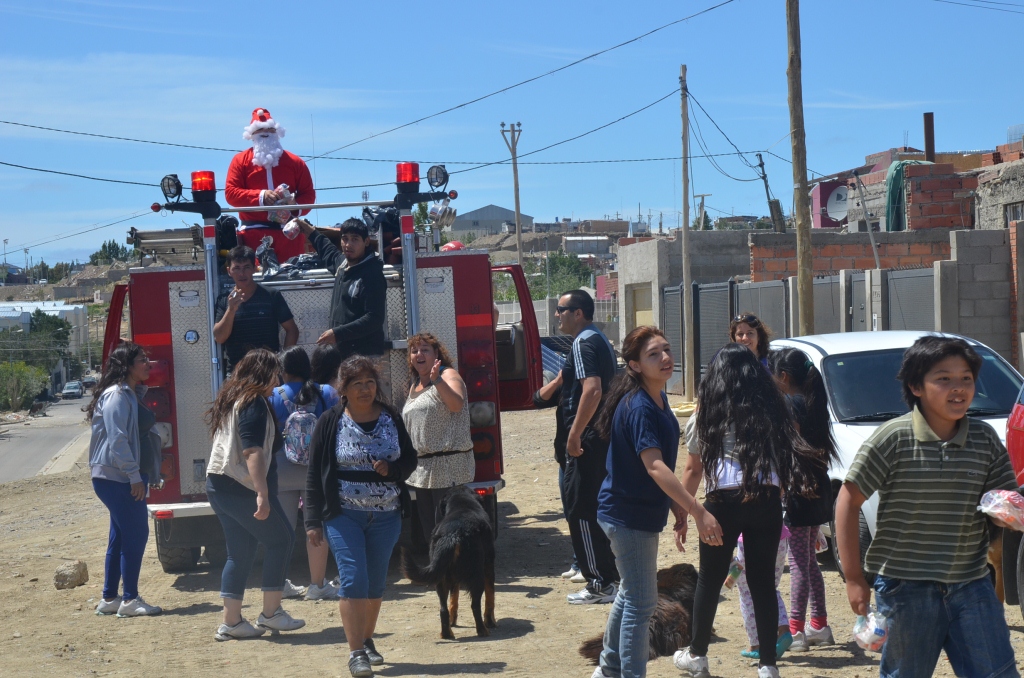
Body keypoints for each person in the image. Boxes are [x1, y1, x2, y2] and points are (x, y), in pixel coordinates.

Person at [836, 336, 1022, 678]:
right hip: (906, 588)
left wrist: (1009, 514)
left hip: (972, 583)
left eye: (966, 378)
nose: (958, 388)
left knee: (998, 674)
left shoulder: (984, 439)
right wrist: (853, 578)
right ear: (916, 386)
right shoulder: (893, 437)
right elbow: (848, 501)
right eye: (944, 378)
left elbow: (1005, 499)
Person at [674, 344, 821, 678]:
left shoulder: (706, 411)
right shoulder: (776, 406)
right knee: (763, 584)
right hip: (765, 500)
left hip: (721, 502)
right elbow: (787, 457)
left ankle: (697, 655)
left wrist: (685, 511)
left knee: (709, 581)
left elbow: (693, 470)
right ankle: (768, 664)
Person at [590, 327, 719, 678]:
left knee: (631, 594)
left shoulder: (657, 398)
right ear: (633, 364)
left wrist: (677, 506)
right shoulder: (640, 406)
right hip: (627, 516)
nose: (665, 358)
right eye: (653, 354)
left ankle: (609, 669)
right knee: (641, 602)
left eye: (666, 349)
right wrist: (697, 510)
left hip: (636, 514)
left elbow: (656, 470)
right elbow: (655, 466)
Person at [305, 356, 418, 678]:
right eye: (358, 383)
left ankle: (367, 640)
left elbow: (409, 459)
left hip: (386, 515)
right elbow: (315, 474)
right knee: (353, 579)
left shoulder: (391, 417)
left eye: (370, 382)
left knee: (375, 584)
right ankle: (356, 653)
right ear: (344, 388)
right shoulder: (330, 420)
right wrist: (312, 521)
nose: (366, 389)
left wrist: (392, 469)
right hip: (344, 515)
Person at [205, 349, 305, 641]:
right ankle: (271, 614)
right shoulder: (254, 403)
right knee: (282, 539)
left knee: (241, 552)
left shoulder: (233, 399)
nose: (279, 379)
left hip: (219, 485)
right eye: (275, 373)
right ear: (264, 373)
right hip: (239, 487)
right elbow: (252, 451)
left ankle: (232, 622)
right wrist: (262, 493)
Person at [768, 347, 838, 652]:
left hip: (800, 491)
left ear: (782, 377)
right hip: (817, 489)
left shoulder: (790, 404)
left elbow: (789, 450)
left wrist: (780, 485)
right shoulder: (813, 401)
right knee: (809, 563)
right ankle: (819, 625)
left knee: (798, 563)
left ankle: (795, 629)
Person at [88, 342, 162, 618]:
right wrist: (134, 476)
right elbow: (118, 439)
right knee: (136, 533)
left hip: (121, 476)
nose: (148, 363)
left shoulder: (130, 393)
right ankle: (130, 600)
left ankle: (110, 598)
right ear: (127, 366)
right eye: (142, 359)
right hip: (116, 476)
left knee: (119, 535)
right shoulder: (117, 395)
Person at [556, 289, 619, 605]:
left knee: (580, 507)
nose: (557, 315)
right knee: (593, 505)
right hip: (600, 436)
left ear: (578, 313)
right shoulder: (598, 339)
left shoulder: (584, 342)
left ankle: (601, 583)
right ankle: (610, 578)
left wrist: (574, 434)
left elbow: (592, 391)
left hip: (590, 439)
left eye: (561, 309)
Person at [269, 346, 341, 600]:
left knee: (282, 530)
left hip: (282, 469)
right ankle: (317, 585)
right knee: (316, 526)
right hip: (316, 470)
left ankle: (279, 583)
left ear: (283, 371)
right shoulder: (326, 393)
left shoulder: (274, 395)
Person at [402, 332, 474, 546]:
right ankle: (441, 576)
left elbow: (456, 404)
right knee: (431, 532)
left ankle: (456, 575)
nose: (419, 354)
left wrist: (437, 380)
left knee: (450, 531)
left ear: (436, 355)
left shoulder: (448, 374)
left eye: (425, 350)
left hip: (448, 467)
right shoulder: (415, 385)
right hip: (423, 470)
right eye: (414, 351)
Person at [225, 107, 315, 262]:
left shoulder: (295, 162)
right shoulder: (240, 161)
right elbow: (231, 194)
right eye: (260, 130)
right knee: (257, 282)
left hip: (290, 235)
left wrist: (295, 205)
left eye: (269, 129)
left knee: (291, 281)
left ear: (277, 132)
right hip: (253, 236)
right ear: (252, 135)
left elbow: (309, 194)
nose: (265, 133)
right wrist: (261, 196)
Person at [299, 218, 386, 360]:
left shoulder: (372, 274)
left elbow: (374, 318)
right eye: (344, 239)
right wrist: (306, 228)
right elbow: (326, 248)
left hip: (365, 356)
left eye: (355, 239)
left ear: (366, 242)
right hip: (344, 354)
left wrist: (338, 333)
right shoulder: (343, 266)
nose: (348, 244)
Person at [213, 245, 299, 374]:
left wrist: (283, 363)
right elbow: (219, 338)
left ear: (254, 269)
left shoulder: (271, 296)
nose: (242, 273)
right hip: (238, 375)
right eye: (236, 268)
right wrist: (231, 310)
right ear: (229, 271)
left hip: (268, 373)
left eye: (246, 267)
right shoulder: (224, 300)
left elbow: (292, 330)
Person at [534, 371, 584, 584]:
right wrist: (558, 380)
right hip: (564, 460)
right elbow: (538, 399)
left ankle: (589, 565)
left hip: (582, 458)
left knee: (584, 513)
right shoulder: (567, 386)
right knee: (570, 513)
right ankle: (578, 561)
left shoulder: (589, 388)